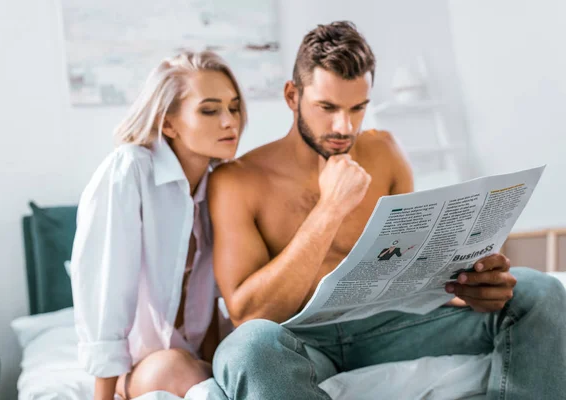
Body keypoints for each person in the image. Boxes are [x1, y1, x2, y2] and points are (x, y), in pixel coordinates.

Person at [208, 21, 566, 399]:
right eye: (327, 107)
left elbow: (410, 272)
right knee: (245, 347)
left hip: (389, 325)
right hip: (304, 339)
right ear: (292, 96)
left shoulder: (385, 152)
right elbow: (247, 315)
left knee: (540, 291)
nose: (343, 127)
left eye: (357, 108)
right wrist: (330, 209)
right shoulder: (238, 181)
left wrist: (470, 286)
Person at [69, 51, 247, 400]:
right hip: (139, 367)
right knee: (171, 369)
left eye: (234, 107)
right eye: (210, 110)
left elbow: (210, 299)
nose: (230, 121)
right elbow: (106, 292)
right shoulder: (129, 171)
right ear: (168, 123)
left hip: (194, 356)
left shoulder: (224, 182)